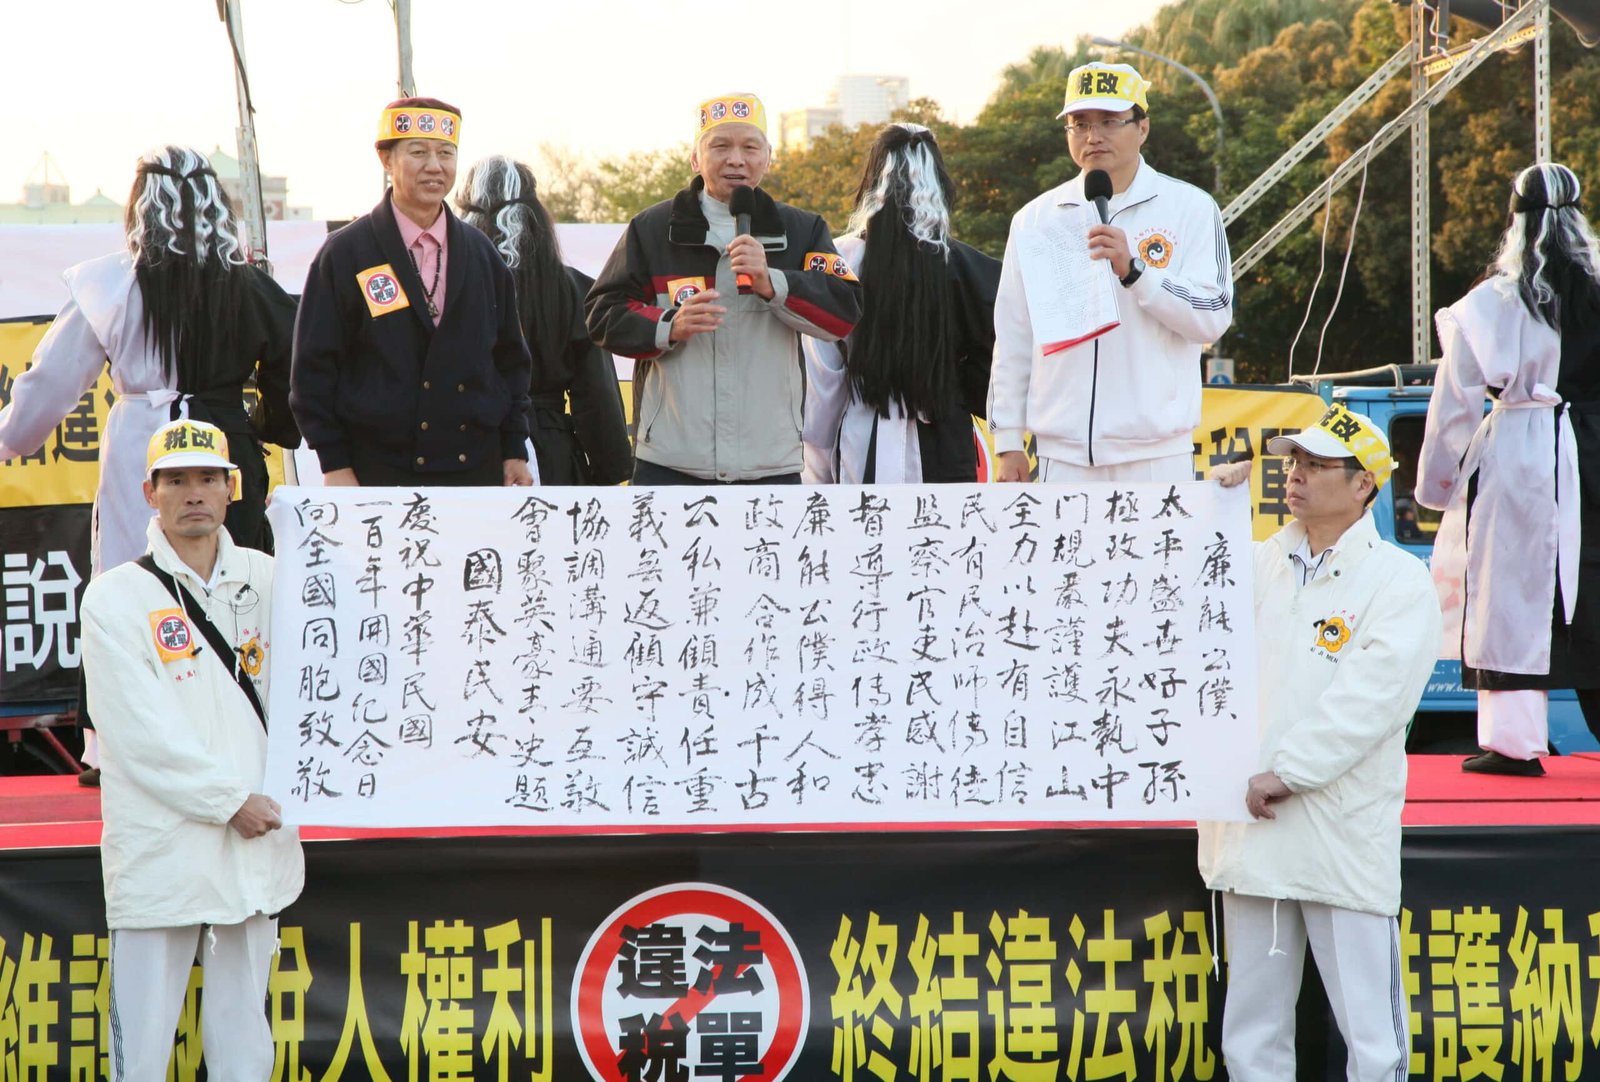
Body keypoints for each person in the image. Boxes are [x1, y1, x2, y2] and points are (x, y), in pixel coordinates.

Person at [0, 144, 299, 784]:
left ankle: (120, 750)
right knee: (232, 583)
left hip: (145, 443)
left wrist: (11, 438)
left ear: (139, 203)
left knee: (128, 587)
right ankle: (241, 734)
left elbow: (50, 383)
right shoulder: (247, 282)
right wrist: (273, 423)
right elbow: (296, 369)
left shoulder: (110, 283)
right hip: (223, 448)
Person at [1202, 406, 1439, 1082]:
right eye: (1291, 462)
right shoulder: (1257, 564)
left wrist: (1288, 771)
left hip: (1337, 828)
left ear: (1364, 484)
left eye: (1314, 464)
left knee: (1372, 1036)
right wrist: (1211, 512)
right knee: (1252, 1032)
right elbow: (1179, 610)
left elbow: (1371, 701)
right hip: (1254, 826)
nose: (1295, 475)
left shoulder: (1397, 580)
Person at [79, 418, 302, 1082]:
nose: (193, 493)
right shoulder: (116, 597)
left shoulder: (271, 580)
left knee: (243, 1033)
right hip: (165, 844)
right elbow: (139, 732)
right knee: (142, 1043)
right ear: (150, 492)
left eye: (208, 477)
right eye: (176, 480)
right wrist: (229, 800)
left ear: (233, 489)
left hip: (253, 839)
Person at [1418, 162, 1600, 775]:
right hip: (1596, 444)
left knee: (1512, 585)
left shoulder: (1490, 302)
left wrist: (1436, 487)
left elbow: (1455, 406)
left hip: (1523, 447)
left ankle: (1515, 745)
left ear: (1515, 222)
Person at [586, 92, 862, 485]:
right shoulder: (652, 230)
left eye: (750, 147)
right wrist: (669, 325)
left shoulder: (802, 231)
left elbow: (844, 314)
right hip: (670, 463)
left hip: (771, 464)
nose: (736, 159)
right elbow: (601, 314)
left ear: (768, 157)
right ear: (695, 159)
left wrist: (773, 283)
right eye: (720, 146)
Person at [989, 62, 1233, 484]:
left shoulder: (1190, 207)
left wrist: (1138, 273)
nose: (1093, 136)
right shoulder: (1035, 219)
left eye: (1109, 121)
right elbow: (1014, 336)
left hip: (1155, 457)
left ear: (1142, 127)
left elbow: (1213, 314)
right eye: (1079, 124)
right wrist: (1009, 441)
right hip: (1059, 459)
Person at [290, 96, 534, 487]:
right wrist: (334, 463)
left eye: (446, 153)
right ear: (387, 161)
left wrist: (514, 449)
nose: (434, 166)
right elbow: (313, 369)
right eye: (418, 152)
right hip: (376, 471)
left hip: (474, 467)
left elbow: (510, 362)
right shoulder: (346, 253)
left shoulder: (481, 253)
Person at [802, 123, 1000, 484]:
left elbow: (824, 375)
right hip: (946, 439)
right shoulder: (967, 267)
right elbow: (1002, 360)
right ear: (939, 180)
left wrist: (816, 453)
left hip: (864, 438)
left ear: (873, 179)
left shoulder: (841, 258)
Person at [456, 155, 632, 484]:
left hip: (462, 452)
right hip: (550, 455)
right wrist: (611, 469)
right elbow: (596, 396)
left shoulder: (446, 286)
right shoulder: (574, 289)